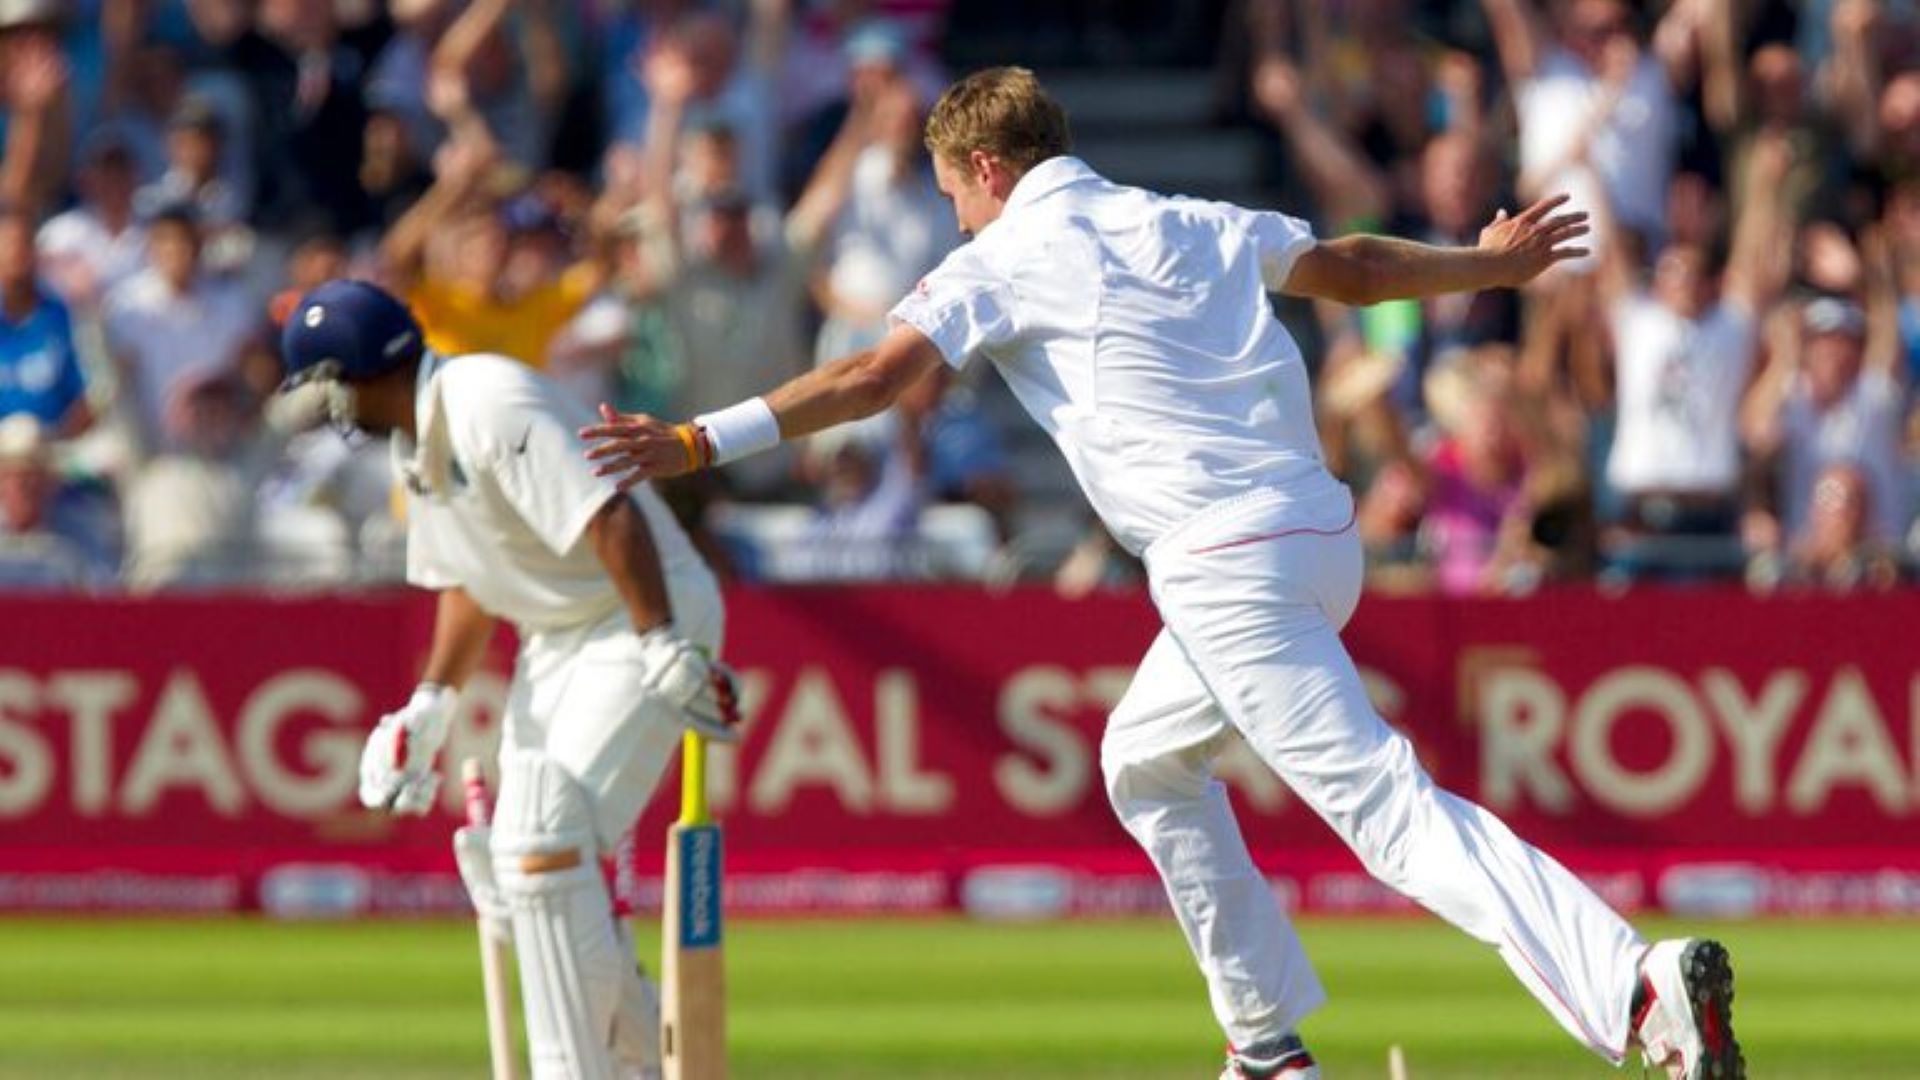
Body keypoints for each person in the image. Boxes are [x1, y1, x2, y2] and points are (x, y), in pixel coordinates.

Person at [580, 67, 1742, 1080]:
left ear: (985, 167)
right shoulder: (1186, 216)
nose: (957, 220)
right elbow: (1346, 265)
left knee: (1388, 814)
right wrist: (1482, 268)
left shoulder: (1011, 254)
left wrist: (695, 441)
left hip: (1221, 562)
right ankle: (1265, 1044)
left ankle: (1639, 988)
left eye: (952, 196)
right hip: (1315, 534)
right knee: (1140, 761)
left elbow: (876, 379)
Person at [277, 279, 739, 1079]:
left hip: (634, 618)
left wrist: (660, 641)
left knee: (543, 847)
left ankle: (581, 1068)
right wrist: (430, 703)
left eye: (329, 387)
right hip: (556, 639)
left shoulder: (486, 399)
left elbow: (609, 513)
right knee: (511, 863)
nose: (332, 410)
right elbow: (466, 580)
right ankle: (633, 1057)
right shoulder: (415, 443)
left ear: (365, 371)